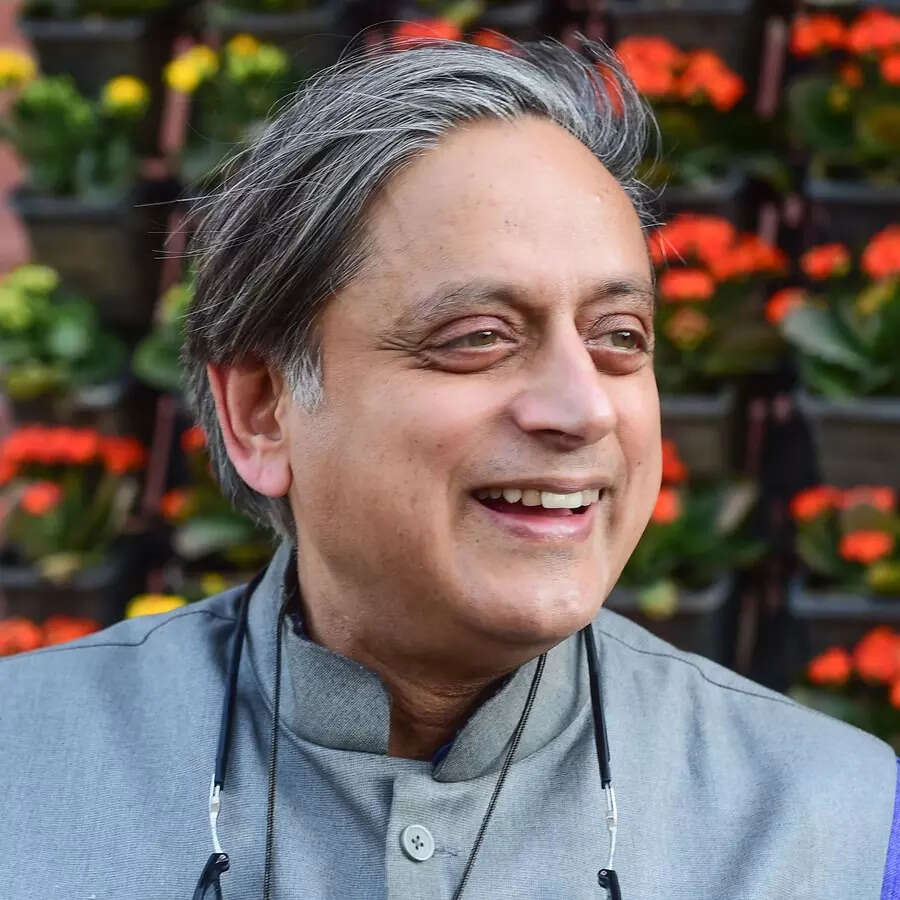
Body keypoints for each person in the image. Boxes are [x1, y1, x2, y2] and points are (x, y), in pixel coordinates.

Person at [0, 38, 896, 900]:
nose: (583, 408)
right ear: (263, 411)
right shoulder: (25, 768)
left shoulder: (838, 828)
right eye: (478, 338)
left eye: (620, 338)